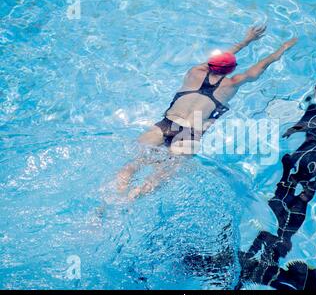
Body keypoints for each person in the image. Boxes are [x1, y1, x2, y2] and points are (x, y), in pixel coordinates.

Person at [117, 25, 297, 200]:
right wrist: (282, 49)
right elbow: (261, 66)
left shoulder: (194, 72)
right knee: (158, 178)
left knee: (131, 167)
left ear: (210, 64)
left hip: (165, 125)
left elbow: (221, 58)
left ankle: (113, 199)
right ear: (231, 69)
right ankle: (131, 199)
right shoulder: (232, 83)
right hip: (190, 135)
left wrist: (246, 40)